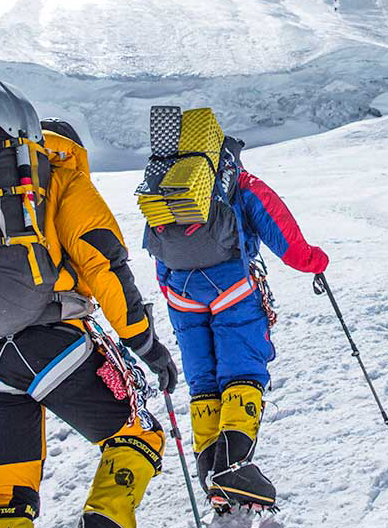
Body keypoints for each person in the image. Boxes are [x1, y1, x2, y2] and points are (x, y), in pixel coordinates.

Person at [0, 114, 177, 528]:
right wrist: (146, 344)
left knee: (1, 492)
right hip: (53, 344)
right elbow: (105, 265)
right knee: (137, 434)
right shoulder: (63, 177)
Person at [145, 132, 328, 514]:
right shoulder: (239, 184)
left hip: (180, 294)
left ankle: (209, 470)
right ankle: (232, 467)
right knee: (241, 371)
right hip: (233, 290)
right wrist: (315, 261)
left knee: (204, 381)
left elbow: (158, 247)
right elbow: (285, 237)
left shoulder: (169, 190)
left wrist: (174, 293)